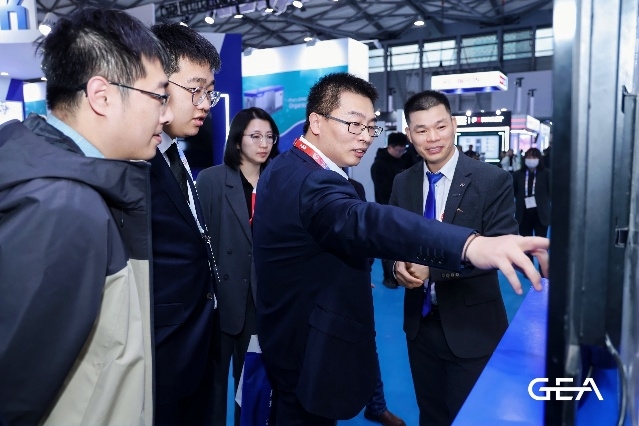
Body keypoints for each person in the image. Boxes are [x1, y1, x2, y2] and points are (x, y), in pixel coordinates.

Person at [252, 72, 549, 425]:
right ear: (316, 122)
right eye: (354, 124)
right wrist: (467, 244)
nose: (366, 136)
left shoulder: (285, 166)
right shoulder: (315, 179)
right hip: (310, 346)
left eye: (370, 126)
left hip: (463, 327)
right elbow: (370, 222)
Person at [0, 8, 172, 425]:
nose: (166, 115)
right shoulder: (62, 206)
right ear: (102, 96)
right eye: (159, 96)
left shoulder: (61, 182)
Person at [389, 90, 517, 426]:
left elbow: (499, 248)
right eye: (421, 130)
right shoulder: (403, 183)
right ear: (409, 134)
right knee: (431, 415)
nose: (432, 138)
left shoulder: (492, 180)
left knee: (472, 418)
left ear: (454, 125)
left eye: (440, 126)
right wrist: (396, 265)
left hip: (472, 327)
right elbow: (390, 241)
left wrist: (432, 270)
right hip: (420, 328)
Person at [148, 22, 222, 425]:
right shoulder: (133, 163)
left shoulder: (176, 152)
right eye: (196, 89)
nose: (205, 103)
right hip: (162, 354)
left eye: (209, 92)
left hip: (198, 338)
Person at [196, 107, 280, 426]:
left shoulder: (278, 182)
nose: (264, 144)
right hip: (221, 301)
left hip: (262, 302)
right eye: (255, 136)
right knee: (214, 388)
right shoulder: (212, 180)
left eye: (269, 137)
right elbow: (200, 243)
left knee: (253, 386)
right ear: (237, 140)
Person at [370, 131, 411, 288]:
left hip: (406, 210)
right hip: (387, 211)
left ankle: (403, 274)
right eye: (398, 151)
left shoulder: (406, 160)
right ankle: (389, 277)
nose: (401, 153)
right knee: (388, 246)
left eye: (403, 151)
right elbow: (383, 191)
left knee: (404, 245)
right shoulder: (379, 165)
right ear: (390, 147)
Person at [513, 147, 551, 240]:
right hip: (523, 213)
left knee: (540, 242)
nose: (531, 160)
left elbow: (550, 191)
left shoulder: (546, 173)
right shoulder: (518, 174)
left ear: (539, 159)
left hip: (540, 213)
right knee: (525, 242)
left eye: (534, 157)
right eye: (529, 157)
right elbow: (514, 191)